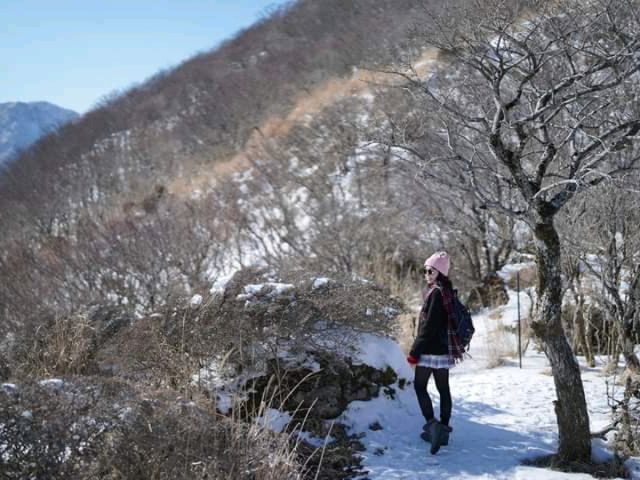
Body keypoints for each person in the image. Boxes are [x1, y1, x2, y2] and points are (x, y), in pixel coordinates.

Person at [406, 251, 464, 454]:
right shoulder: (447, 292)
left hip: (430, 350)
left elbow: (428, 327)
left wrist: (414, 352)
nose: (426, 274)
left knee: (420, 386)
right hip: (443, 351)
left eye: (430, 271)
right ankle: (444, 429)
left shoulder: (436, 293)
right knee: (443, 389)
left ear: (439, 273)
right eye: (425, 271)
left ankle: (433, 426)